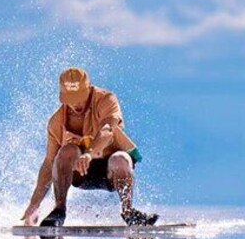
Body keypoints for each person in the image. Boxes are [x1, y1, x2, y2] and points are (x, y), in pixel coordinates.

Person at [21, 67, 159, 227]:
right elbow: (49, 163)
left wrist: (89, 154)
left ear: (89, 89)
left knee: (120, 159)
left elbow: (107, 131)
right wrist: (34, 204)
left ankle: (128, 212)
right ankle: (59, 211)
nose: (76, 103)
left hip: (112, 169)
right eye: (70, 98)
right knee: (66, 151)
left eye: (79, 96)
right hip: (81, 173)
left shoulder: (106, 99)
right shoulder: (56, 122)